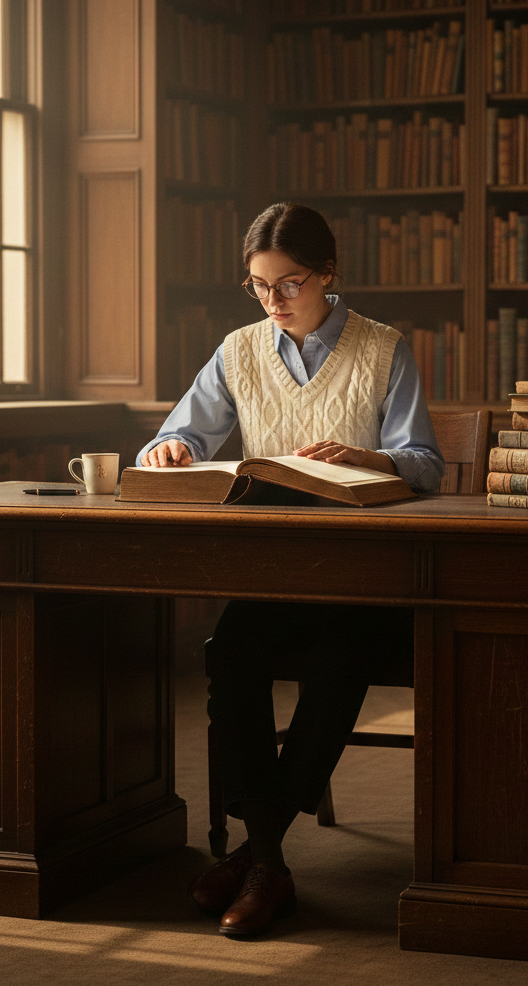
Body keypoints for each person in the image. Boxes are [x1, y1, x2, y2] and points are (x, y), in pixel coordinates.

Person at [137, 202, 444, 937]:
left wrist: (371, 457)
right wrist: (169, 449)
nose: (274, 302)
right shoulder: (239, 350)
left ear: (328, 273)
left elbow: (428, 466)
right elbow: (177, 432)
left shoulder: (382, 348)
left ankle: (256, 859)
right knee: (232, 654)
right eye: (258, 286)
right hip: (274, 571)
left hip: (365, 579)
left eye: (289, 284)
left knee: (341, 662)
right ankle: (268, 860)